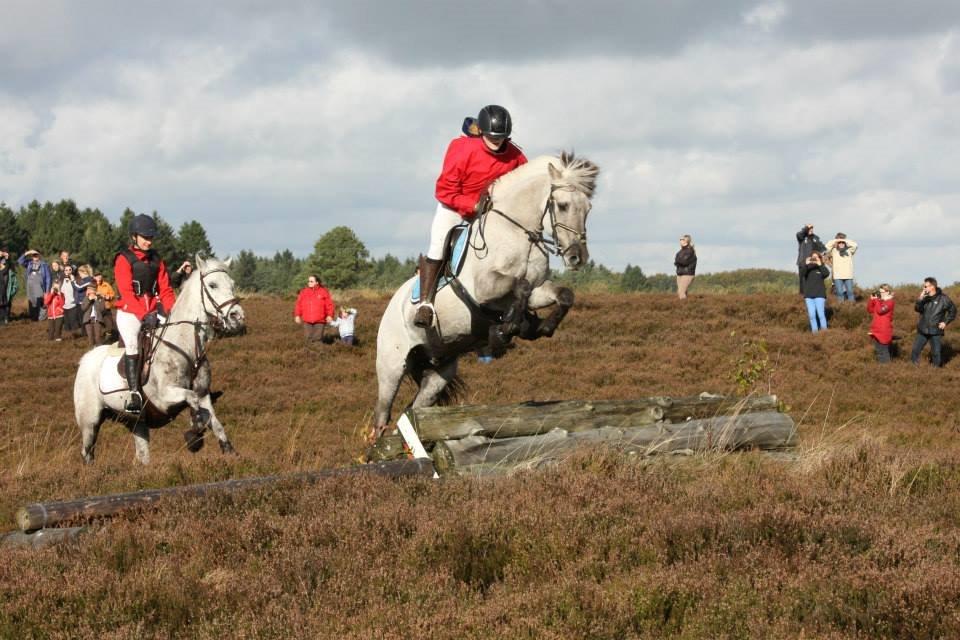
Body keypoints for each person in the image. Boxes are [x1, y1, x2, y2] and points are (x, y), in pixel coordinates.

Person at [414, 104, 528, 328]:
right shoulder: (462, 148)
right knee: (438, 245)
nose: (497, 142)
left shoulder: (515, 155)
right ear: (481, 132)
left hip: (489, 214)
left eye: (502, 138)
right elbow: (444, 191)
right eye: (493, 137)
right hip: (454, 208)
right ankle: (425, 304)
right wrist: (473, 205)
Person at [114, 214, 176, 412]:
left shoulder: (157, 260)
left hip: (152, 310)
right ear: (134, 237)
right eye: (144, 237)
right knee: (133, 345)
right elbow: (127, 293)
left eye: (151, 238)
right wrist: (143, 314)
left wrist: (171, 311)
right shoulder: (123, 260)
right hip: (129, 312)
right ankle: (134, 395)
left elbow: (166, 290)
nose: (148, 241)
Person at [911, 277, 956, 367]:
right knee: (915, 350)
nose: (924, 288)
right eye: (923, 286)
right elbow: (917, 309)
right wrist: (920, 298)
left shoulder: (944, 299)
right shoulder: (924, 298)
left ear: (932, 286)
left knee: (936, 352)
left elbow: (953, 311)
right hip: (922, 329)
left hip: (935, 330)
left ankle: (936, 370)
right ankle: (913, 367)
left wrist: (945, 322)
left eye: (925, 286)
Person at [293, 274, 334, 342]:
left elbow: (329, 305)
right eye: (308, 281)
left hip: (320, 321)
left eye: (311, 281)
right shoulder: (304, 292)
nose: (309, 283)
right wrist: (297, 315)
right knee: (308, 339)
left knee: (317, 339)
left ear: (317, 282)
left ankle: (318, 352)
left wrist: (330, 315)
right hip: (307, 320)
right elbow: (298, 305)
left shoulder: (323, 291)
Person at [17, 250, 51, 321]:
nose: (35, 256)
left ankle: (42, 318)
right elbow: (20, 261)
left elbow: (48, 278)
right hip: (30, 284)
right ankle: (33, 317)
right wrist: (27, 253)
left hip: (40, 285)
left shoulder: (44, 264)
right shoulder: (29, 263)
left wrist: (47, 291)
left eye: (36, 254)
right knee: (32, 301)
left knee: (41, 301)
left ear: (39, 255)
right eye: (33, 255)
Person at [825, 233, 858, 303]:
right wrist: (836, 240)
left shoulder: (849, 251)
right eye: (839, 242)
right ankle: (841, 307)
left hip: (848, 275)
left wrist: (844, 240)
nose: (841, 243)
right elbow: (827, 246)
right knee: (840, 293)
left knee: (850, 292)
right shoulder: (834, 251)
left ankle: (851, 307)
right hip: (838, 276)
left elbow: (855, 245)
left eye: (843, 242)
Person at [801, 252, 830, 333]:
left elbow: (826, 274)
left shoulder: (821, 268)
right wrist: (806, 264)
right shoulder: (807, 269)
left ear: (819, 258)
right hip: (809, 296)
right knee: (812, 315)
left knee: (821, 314)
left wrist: (819, 264)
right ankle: (815, 334)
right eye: (812, 258)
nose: (814, 259)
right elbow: (802, 274)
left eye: (816, 257)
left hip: (819, 295)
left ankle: (824, 332)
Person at [866, 285, 895, 363]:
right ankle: (882, 371)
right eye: (879, 292)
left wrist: (877, 300)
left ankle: (887, 371)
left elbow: (880, 311)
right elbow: (870, 309)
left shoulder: (890, 302)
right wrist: (872, 300)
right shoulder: (880, 301)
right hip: (876, 330)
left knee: (884, 352)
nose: (880, 294)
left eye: (881, 292)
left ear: (887, 292)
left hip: (884, 331)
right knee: (879, 352)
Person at [795, 224, 826, 294]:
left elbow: (822, 248)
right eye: (809, 228)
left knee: (814, 281)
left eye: (812, 228)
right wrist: (806, 227)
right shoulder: (801, 237)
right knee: (803, 281)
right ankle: (802, 297)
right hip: (803, 262)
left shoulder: (815, 238)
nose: (811, 230)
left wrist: (823, 253)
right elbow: (799, 234)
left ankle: (813, 296)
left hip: (814, 263)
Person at [60, 264, 81, 338]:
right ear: (64, 271)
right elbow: (60, 292)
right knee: (67, 324)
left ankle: (76, 338)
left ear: (72, 271)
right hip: (65, 305)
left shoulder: (75, 279)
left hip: (73, 304)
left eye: (70, 270)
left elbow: (78, 290)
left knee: (74, 323)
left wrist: (72, 280)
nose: (68, 271)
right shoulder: (62, 280)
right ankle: (68, 340)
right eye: (66, 270)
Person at [93, 272, 116, 339]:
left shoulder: (106, 285)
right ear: (94, 277)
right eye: (97, 276)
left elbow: (113, 294)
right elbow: (88, 294)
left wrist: (109, 297)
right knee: (98, 325)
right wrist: (96, 294)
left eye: (100, 276)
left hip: (106, 307)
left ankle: (108, 337)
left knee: (110, 325)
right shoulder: (92, 285)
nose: (99, 277)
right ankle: (98, 340)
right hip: (96, 308)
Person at [674, 235, 697, 300]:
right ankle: (687, 306)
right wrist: (678, 261)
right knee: (681, 292)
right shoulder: (679, 252)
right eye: (680, 239)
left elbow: (684, 262)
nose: (680, 240)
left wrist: (678, 261)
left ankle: (684, 306)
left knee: (681, 292)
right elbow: (676, 262)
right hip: (680, 274)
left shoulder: (690, 251)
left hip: (688, 274)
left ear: (686, 242)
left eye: (682, 239)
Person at [0, 249, 18, 324]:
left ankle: (6, 318)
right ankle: (2, 319)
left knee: (7, 302)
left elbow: (9, 264)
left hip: (7, 286)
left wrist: (5, 255)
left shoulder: (8, 265)